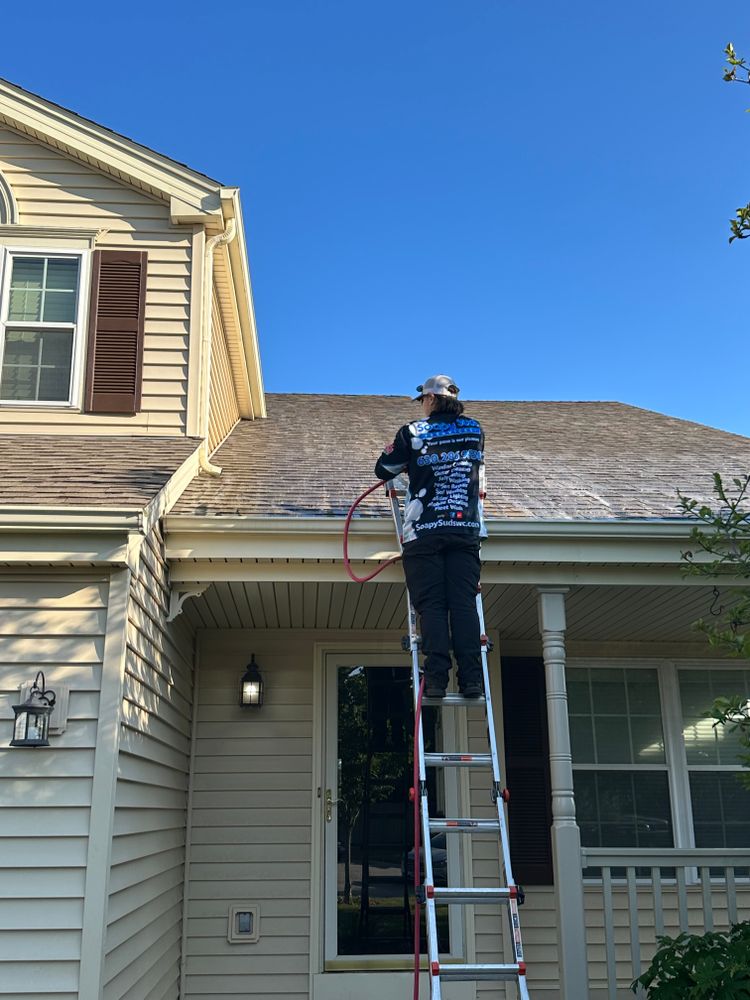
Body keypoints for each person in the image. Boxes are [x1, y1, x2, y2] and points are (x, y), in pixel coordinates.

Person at [375, 375, 487, 698]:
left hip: (423, 533)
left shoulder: (413, 432)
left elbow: (384, 468)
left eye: (423, 400)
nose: (422, 406)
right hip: (464, 530)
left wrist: (411, 462)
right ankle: (471, 679)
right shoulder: (475, 430)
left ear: (432, 400)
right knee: (464, 604)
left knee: (433, 606)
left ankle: (437, 678)